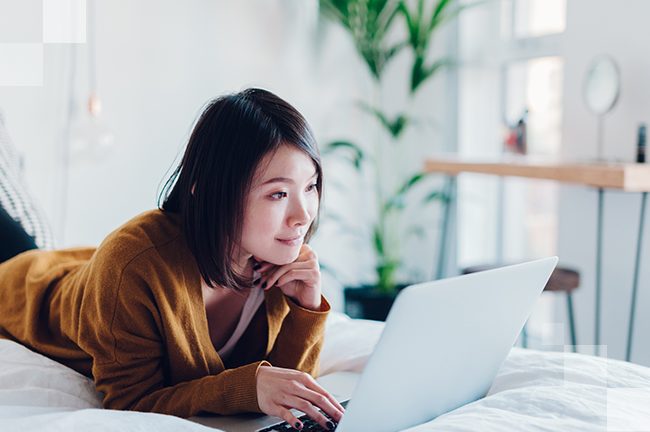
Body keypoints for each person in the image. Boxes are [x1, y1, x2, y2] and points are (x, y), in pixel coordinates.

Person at [0, 88, 344, 431]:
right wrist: (243, 387)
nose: (303, 216)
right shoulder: (132, 265)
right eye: (278, 194)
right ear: (209, 190)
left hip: (89, 268)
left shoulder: (278, 260)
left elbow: (287, 389)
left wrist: (306, 308)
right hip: (20, 285)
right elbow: (130, 402)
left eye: (311, 186)